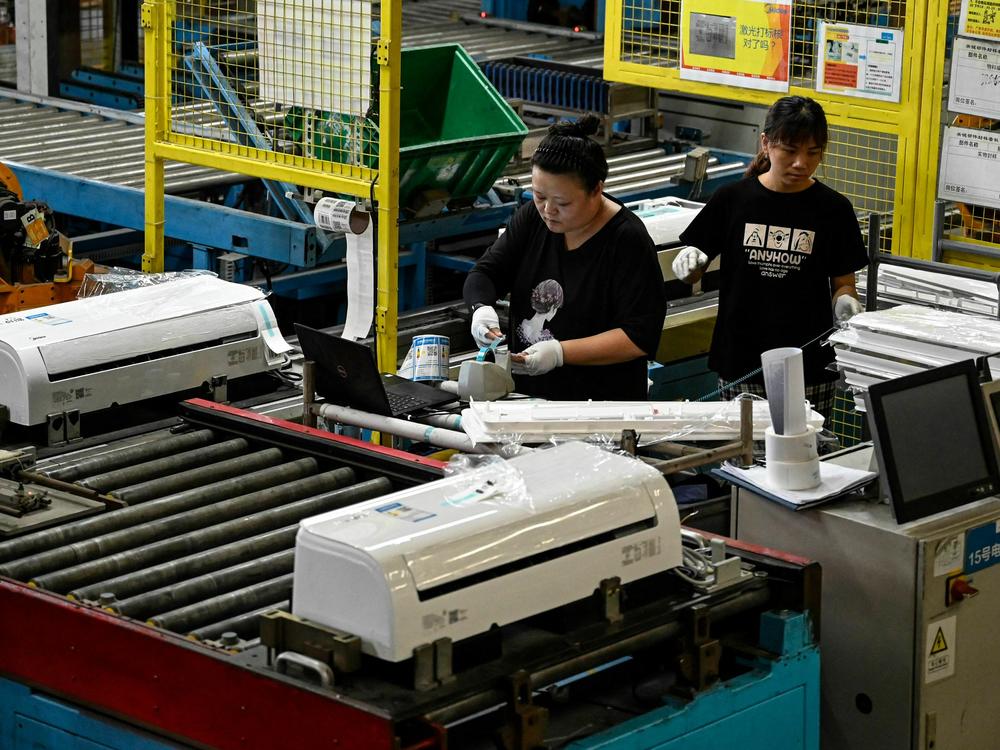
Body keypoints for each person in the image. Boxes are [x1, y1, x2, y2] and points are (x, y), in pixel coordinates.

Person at [672, 95, 867, 418]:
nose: (801, 163)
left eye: (813, 153)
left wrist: (845, 304)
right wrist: (689, 266)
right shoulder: (733, 199)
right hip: (742, 360)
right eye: (790, 150)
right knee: (745, 462)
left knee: (804, 454)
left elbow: (843, 284)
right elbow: (696, 266)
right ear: (766, 143)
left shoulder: (833, 209)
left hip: (808, 363)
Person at [464, 115, 666, 401]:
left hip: (598, 408)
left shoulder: (626, 241)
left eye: (562, 203)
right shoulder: (533, 219)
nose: (548, 210)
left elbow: (638, 336)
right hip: (528, 400)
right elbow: (485, 273)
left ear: (597, 189)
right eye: (538, 196)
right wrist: (481, 309)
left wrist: (560, 353)